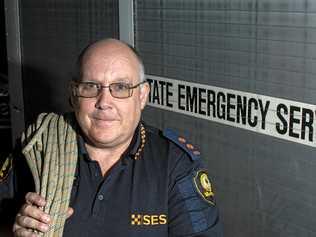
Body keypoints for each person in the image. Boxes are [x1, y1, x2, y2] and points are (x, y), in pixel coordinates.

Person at [0, 38, 223, 236]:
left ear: (143, 95)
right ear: (74, 94)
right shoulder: (38, 147)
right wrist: (13, 231)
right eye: (91, 86)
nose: (104, 102)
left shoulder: (175, 165)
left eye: (120, 87)